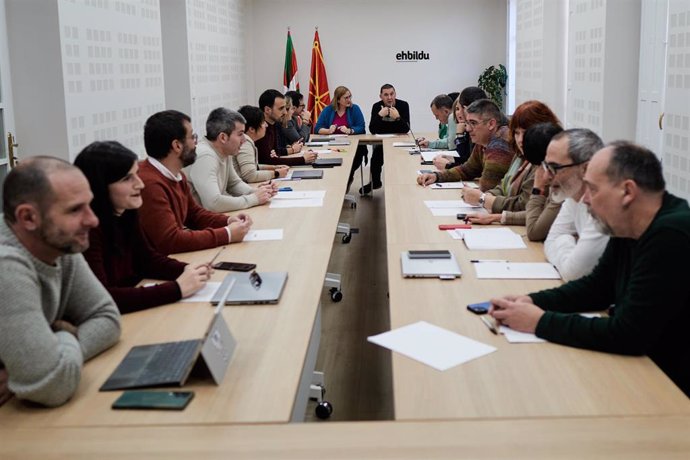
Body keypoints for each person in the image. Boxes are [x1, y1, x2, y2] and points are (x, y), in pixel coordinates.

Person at [490, 141, 690, 397]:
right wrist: (531, 301)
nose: (584, 199)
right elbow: (597, 288)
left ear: (627, 191)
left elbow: (629, 333)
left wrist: (539, 321)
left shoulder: (670, 235)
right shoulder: (628, 224)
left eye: (593, 189)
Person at [0, 157, 121, 407]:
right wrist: (60, 340)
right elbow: (52, 385)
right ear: (28, 218)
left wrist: (53, 350)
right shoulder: (6, 265)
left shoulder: (58, 244)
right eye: (75, 210)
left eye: (90, 205)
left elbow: (107, 318)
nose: (93, 220)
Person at [75, 141, 211, 313]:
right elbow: (104, 297)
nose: (140, 184)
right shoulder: (87, 231)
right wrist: (177, 288)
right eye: (127, 179)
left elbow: (147, 260)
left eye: (137, 174)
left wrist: (187, 269)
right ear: (100, 186)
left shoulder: (126, 212)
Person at [138, 110, 252, 255]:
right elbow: (170, 241)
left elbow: (194, 215)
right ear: (177, 146)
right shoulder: (150, 183)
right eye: (192, 137)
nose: (196, 143)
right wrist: (227, 234)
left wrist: (228, 221)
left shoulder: (176, 174)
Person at [462, 100, 561, 224]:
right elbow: (503, 186)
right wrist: (485, 195)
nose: (520, 140)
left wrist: (483, 198)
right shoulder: (520, 155)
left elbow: (523, 205)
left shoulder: (543, 165)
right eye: (516, 133)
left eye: (525, 133)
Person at [542, 128, 609, 281]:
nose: (546, 177)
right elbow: (550, 240)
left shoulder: (606, 207)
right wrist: (571, 246)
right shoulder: (573, 194)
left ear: (585, 168)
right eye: (546, 166)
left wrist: (564, 241)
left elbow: (574, 274)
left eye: (554, 168)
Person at [185, 107, 276, 212]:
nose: (244, 140)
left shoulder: (224, 151)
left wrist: (258, 192)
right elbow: (213, 203)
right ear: (223, 137)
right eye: (240, 134)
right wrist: (254, 199)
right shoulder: (205, 156)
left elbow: (234, 184)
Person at [417, 99, 514, 191]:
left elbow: (487, 187)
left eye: (473, 123)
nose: (467, 129)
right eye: (467, 123)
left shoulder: (500, 144)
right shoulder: (484, 140)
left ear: (491, 124)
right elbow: (467, 169)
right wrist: (436, 176)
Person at [314, 85, 367, 191]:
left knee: (352, 161)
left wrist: (350, 130)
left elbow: (361, 127)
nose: (349, 100)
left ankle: (347, 180)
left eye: (350, 97)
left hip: (353, 145)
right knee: (329, 161)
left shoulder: (354, 108)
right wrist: (328, 131)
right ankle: (333, 185)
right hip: (332, 146)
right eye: (346, 98)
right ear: (338, 99)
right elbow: (317, 128)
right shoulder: (328, 110)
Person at [521, 123, 565, 241]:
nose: (519, 139)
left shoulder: (563, 186)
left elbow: (534, 232)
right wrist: (501, 217)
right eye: (516, 133)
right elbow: (543, 214)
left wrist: (537, 189)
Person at [363, 83, 411, 194]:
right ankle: (375, 182)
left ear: (395, 94)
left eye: (391, 94)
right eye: (386, 95)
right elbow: (373, 129)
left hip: (400, 142)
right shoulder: (376, 106)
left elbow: (406, 129)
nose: (389, 97)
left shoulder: (403, 105)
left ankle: (400, 184)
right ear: (381, 96)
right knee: (375, 159)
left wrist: (398, 118)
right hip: (382, 142)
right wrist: (380, 115)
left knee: (397, 162)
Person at [255, 89, 316, 167]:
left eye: (285, 108)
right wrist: (303, 159)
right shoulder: (260, 129)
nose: (285, 112)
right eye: (281, 109)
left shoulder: (274, 124)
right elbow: (267, 160)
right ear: (267, 110)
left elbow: (277, 152)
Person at [433, 86, 487, 170]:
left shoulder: (482, 133)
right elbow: (467, 160)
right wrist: (451, 158)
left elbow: (475, 169)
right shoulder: (469, 129)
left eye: (459, 108)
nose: (457, 114)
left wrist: (448, 166)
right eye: (456, 109)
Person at [234, 105, 289, 183]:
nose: (266, 125)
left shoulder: (247, 140)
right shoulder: (245, 143)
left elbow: (254, 167)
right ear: (252, 129)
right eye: (263, 122)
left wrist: (274, 167)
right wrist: (276, 173)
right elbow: (250, 176)